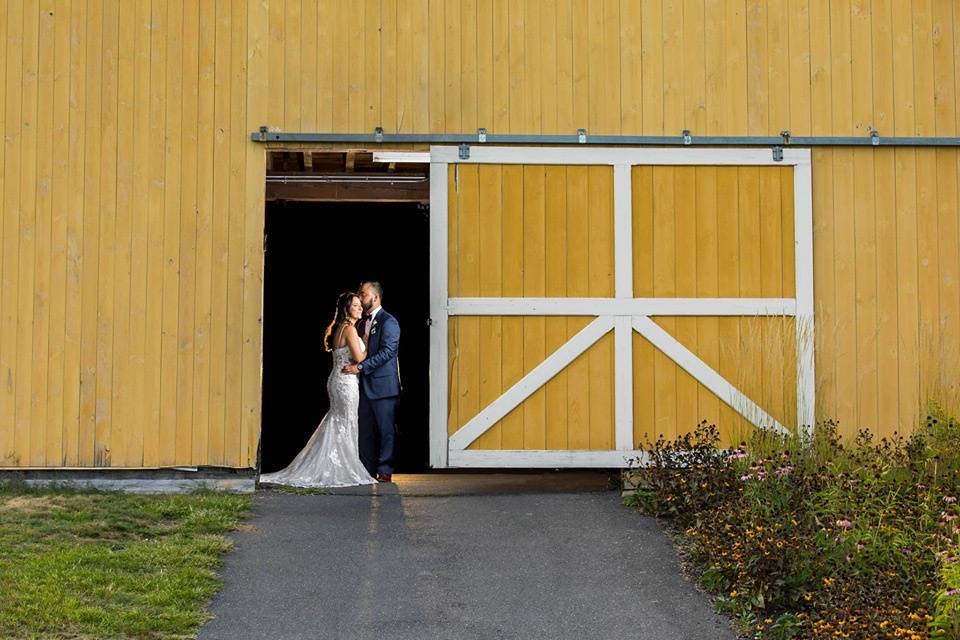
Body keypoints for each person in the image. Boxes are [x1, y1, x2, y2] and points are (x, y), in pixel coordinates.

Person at [259, 292, 376, 488]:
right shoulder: (350, 330)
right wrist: (369, 344)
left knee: (337, 421)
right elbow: (358, 357)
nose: (360, 308)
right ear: (347, 309)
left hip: (336, 380)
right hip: (346, 382)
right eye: (355, 305)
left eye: (360, 305)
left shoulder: (340, 328)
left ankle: (336, 464)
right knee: (345, 422)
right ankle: (345, 468)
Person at [342, 281, 401, 482]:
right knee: (363, 431)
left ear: (375, 297)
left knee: (386, 430)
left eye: (364, 294)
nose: (360, 297)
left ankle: (384, 471)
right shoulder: (359, 322)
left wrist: (360, 367)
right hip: (361, 387)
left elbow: (387, 352)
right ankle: (365, 472)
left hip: (384, 387)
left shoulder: (389, 322)